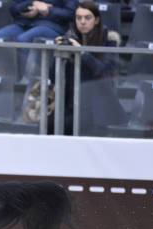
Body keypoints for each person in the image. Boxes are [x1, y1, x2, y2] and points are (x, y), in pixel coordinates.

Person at [47, 0, 126, 134]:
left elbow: (104, 73)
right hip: (71, 104)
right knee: (49, 125)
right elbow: (53, 77)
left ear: (96, 20)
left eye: (87, 18)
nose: (82, 22)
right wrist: (58, 53)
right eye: (79, 18)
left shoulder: (108, 42)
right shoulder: (71, 39)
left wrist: (82, 52)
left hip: (97, 108)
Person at [0, 0, 78, 43]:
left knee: (23, 40)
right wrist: (30, 5)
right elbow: (13, 8)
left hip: (51, 26)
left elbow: (71, 13)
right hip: (23, 24)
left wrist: (48, 10)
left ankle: (25, 78)